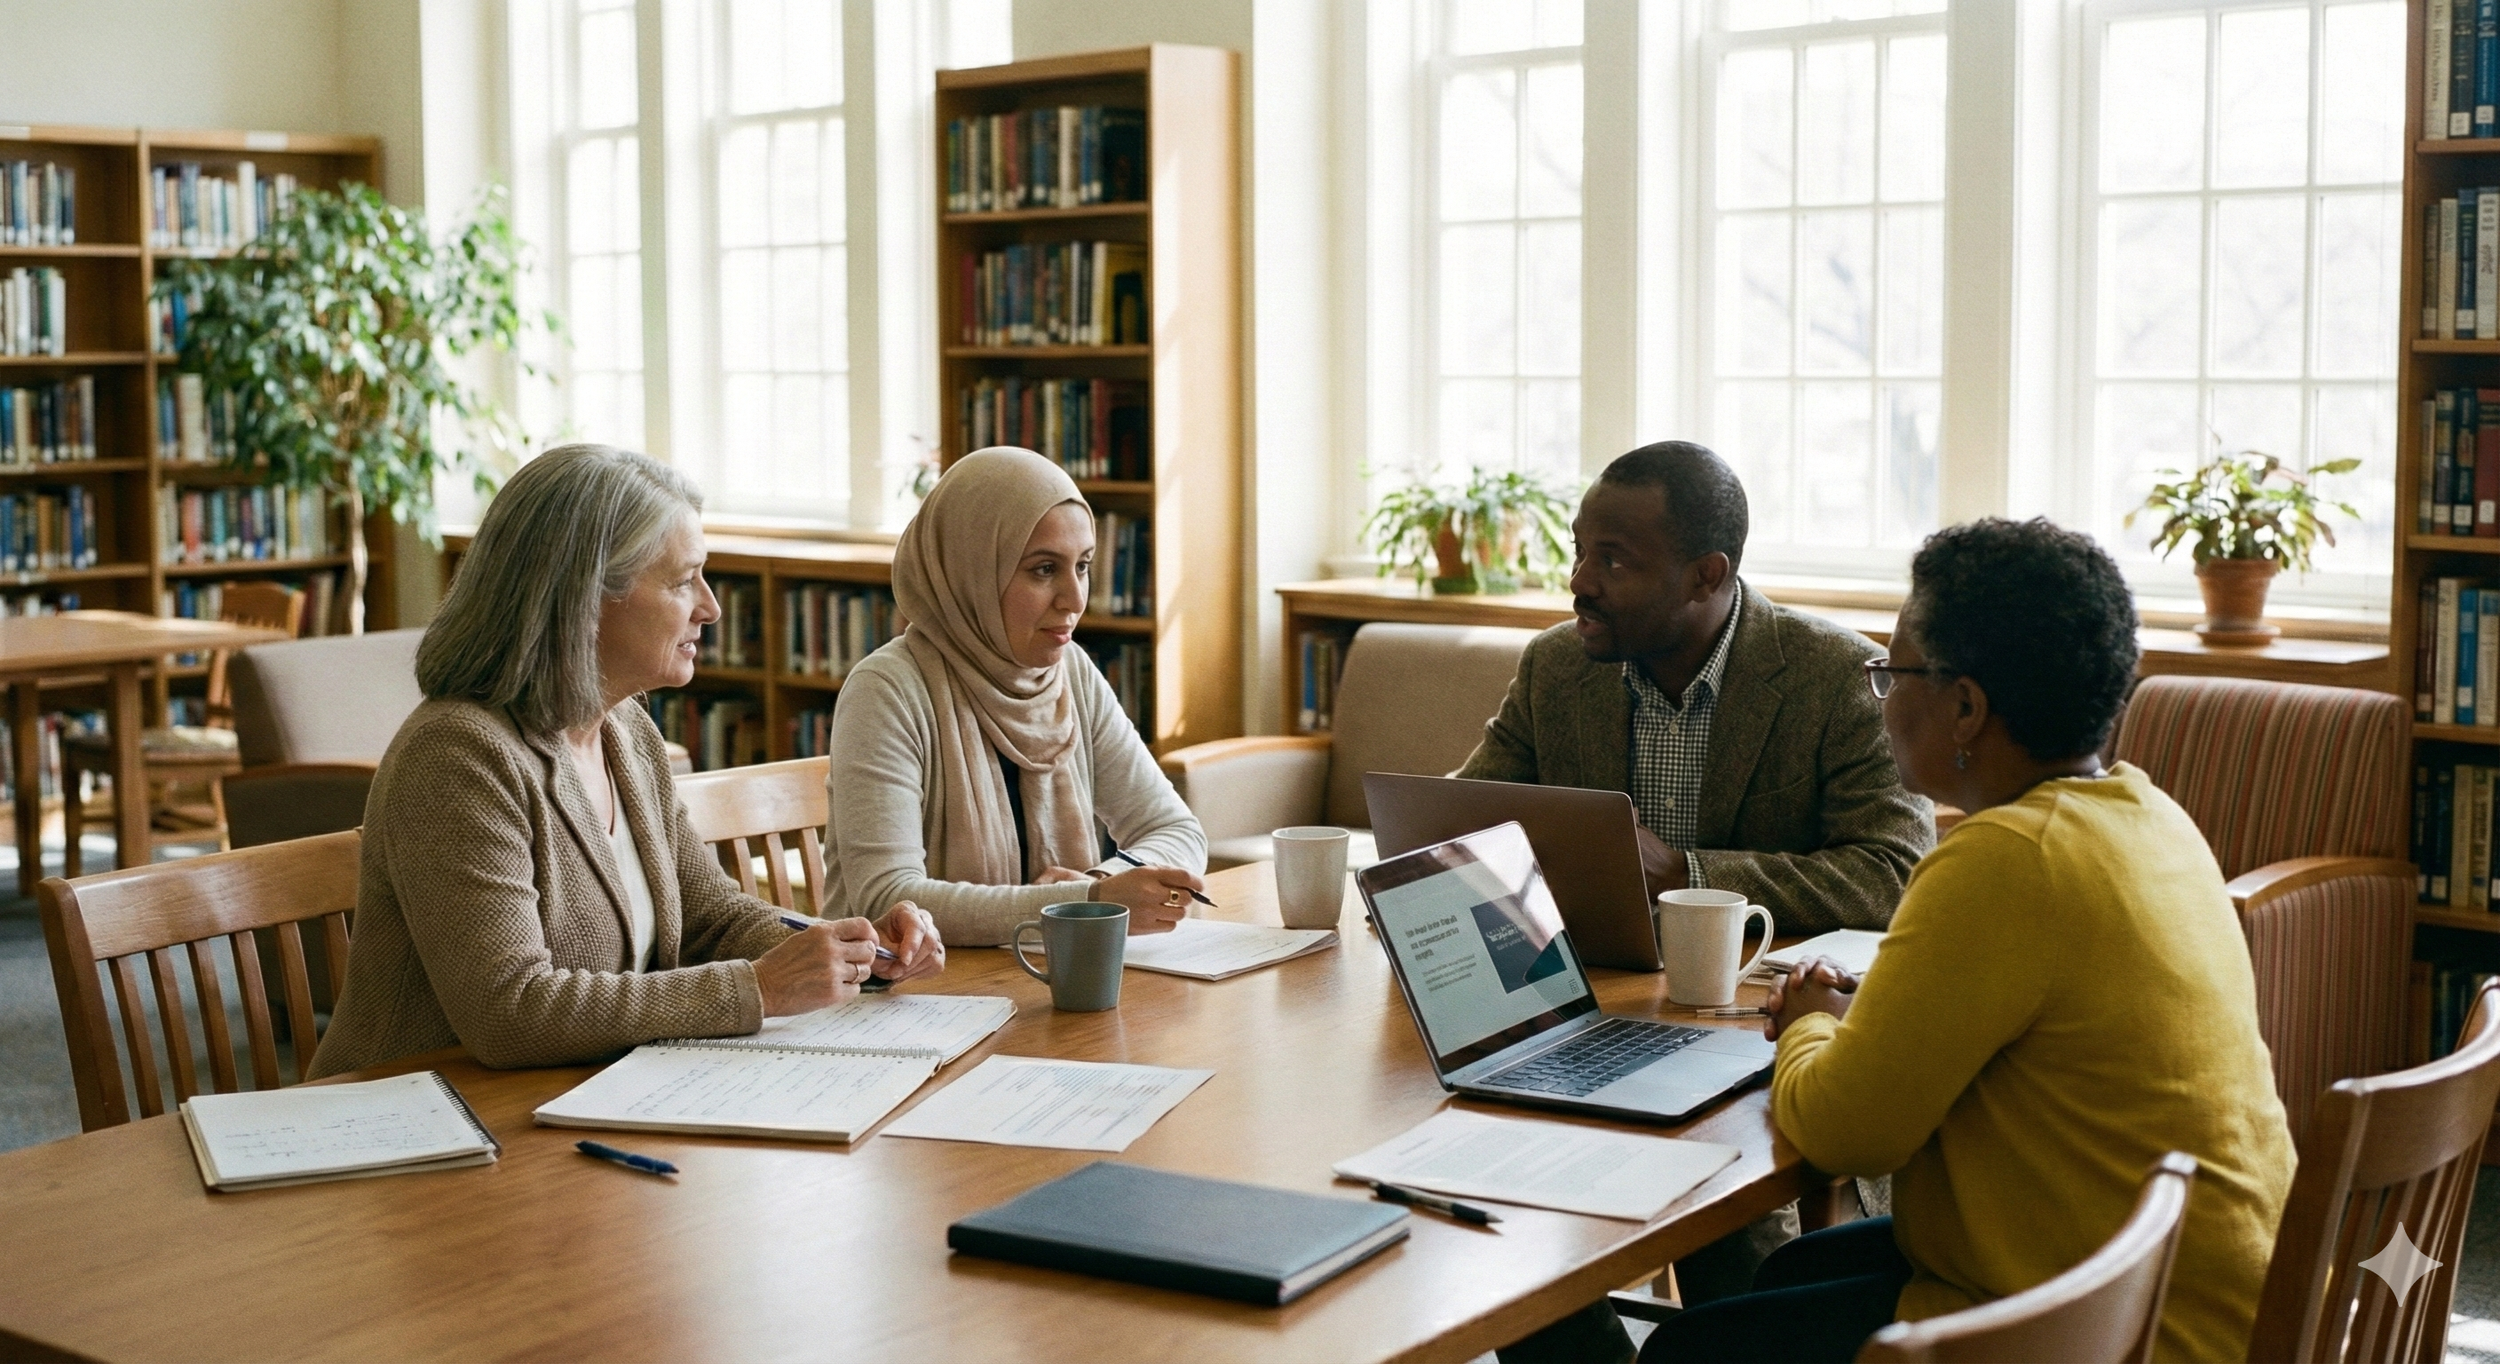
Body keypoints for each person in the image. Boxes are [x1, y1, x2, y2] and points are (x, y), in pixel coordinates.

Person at [1639, 518, 2296, 1363]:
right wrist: (1869, 1012)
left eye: (1891, 673)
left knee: (1687, 1353)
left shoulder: (2005, 859)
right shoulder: (2148, 815)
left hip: (2123, 1329)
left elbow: (1845, 1136)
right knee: (1789, 1276)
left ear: (1964, 707)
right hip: (2197, 1285)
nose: (1881, 698)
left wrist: (1807, 1016)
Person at [310, 445, 944, 1078]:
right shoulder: (457, 754)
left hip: (573, 1099)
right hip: (415, 1123)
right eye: (681, 580)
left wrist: (851, 951)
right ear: (583, 599)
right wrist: (760, 988)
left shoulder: (627, 731)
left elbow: (713, 919)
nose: (711, 607)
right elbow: (509, 1010)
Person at [1457, 441, 1932, 934]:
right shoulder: (1555, 665)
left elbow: (1893, 875)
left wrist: (1687, 876)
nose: (1579, 582)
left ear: (1705, 576)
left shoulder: (1838, 677)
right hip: (1588, 978)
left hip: (1755, 988)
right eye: (1580, 551)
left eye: (1613, 562)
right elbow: (1460, 819)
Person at [821, 446, 1208, 945]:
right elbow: (890, 899)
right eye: (1044, 569)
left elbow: (1176, 829)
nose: (1073, 599)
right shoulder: (888, 691)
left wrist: (1097, 884)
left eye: (1083, 566)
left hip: (1040, 980)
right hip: (908, 999)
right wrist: (1084, 907)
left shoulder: (1071, 673)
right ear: (972, 570)